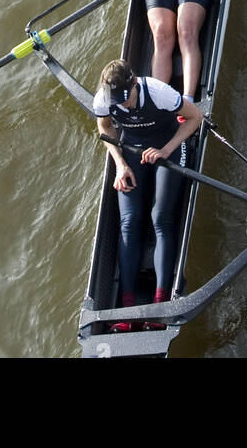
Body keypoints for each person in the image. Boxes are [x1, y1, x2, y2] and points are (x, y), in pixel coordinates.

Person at [94, 58, 202, 328]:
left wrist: (166, 151)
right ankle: (127, 310)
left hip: (170, 148)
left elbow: (194, 118)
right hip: (132, 152)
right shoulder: (104, 99)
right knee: (129, 223)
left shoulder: (158, 91)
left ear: (134, 83)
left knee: (160, 219)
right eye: (117, 101)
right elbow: (105, 128)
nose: (123, 105)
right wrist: (120, 165)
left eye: (126, 98)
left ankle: (160, 304)